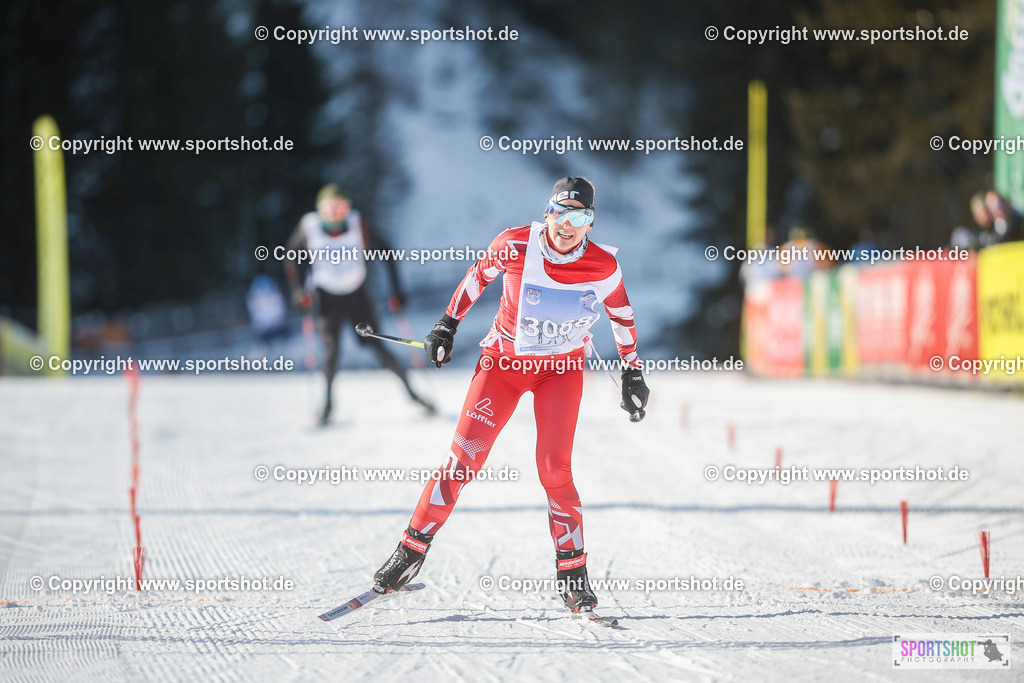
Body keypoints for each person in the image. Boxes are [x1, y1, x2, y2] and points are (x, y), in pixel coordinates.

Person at [370, 177, 650, 615]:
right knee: (462, 462)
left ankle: (573, 577)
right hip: (503, 366)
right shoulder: (516, 244)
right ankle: (410, 553)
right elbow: (476, 277)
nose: (568, 225)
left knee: (554, 470)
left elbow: (622, 316)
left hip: (560, 372)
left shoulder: (602, 266)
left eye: (581, 217)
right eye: (562, 213)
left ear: (590, 224)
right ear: (548, 213)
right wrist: (447, 325)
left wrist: (632, 373)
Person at [284, 184, 434, 424]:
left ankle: (414, 393)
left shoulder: (358, 223)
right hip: (327, 297)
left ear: (348, 208)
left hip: (357, 295)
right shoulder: (308, 227)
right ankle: (326, 405)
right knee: (332, 351)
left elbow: (387, 251)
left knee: (377, 344)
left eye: (340, 207)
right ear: (319, 210)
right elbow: (292, 257)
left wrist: (397, 291)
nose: (335, 213)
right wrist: (298, 292)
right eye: (329, 208)